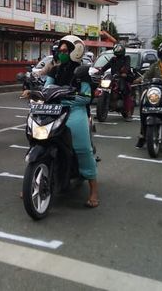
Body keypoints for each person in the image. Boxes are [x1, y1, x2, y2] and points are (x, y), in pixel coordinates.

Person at [44, 34, 99, 208]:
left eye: (65, 51)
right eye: (60, 51)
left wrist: (66, 99)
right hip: (54, 110)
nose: (61, 54)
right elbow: (46, 89)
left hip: (75, 110)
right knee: (39, 139)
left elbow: (85, 97)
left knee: (82, 148)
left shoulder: (82, 72)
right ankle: (35, 181)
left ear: (76, 51)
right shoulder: (54, 70)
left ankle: (93, 191)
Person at [95, 43, 134, 120]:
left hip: (124, 78)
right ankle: (100, 111)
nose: (117, 51)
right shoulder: (113, 59)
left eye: (119, 50)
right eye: (116, 50)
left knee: (125, 91)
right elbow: (106, 66)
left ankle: (128, 112)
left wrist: (125, 72)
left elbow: (127, 65)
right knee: (102, 87)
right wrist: (100, 71)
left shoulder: (126, 58)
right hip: (114, 78)